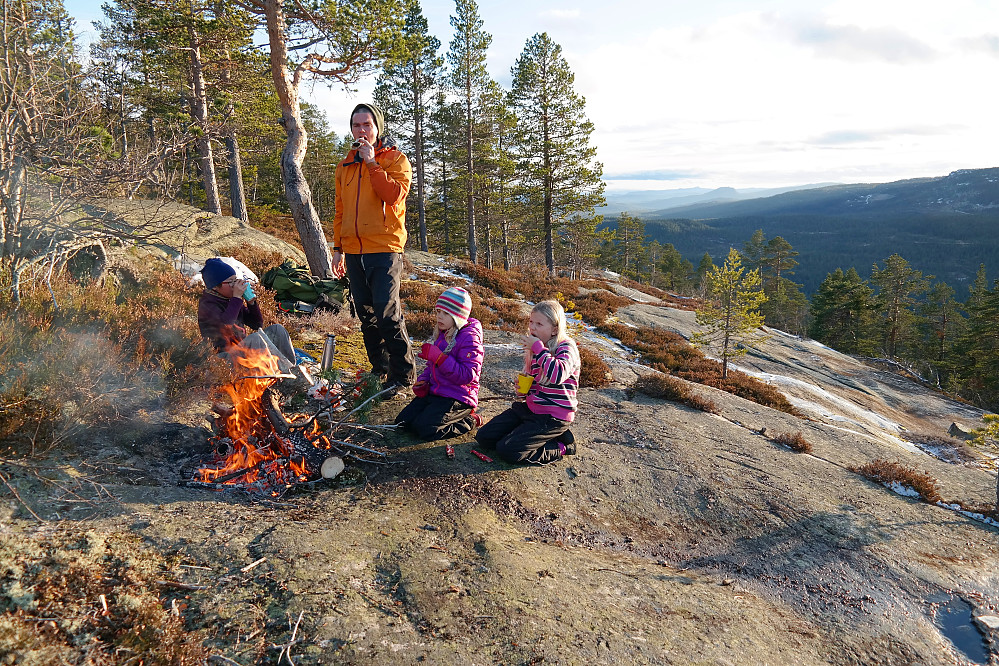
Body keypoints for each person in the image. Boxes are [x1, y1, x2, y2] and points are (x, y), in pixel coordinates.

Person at [330, 102, 415, 396]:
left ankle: (403, 375)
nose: (361, 130)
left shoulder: (396, 160)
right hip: (353, 250)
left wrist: (372, 163)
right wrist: (338, 247)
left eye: (367, 125)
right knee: (365, 313)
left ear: (377, 128)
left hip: (385, 246)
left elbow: (393, 196)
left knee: (386, 311)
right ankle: (379, 370)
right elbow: (340, 209)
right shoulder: (344, 166)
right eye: (356, 125)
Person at [475, 300, 580, 464]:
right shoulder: (536, 349)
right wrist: (524, 390)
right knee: (484, 438)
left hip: (553, 416)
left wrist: (538, 349)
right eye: (531, 322)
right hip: (532, 409)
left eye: (539, 324)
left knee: (508, 451)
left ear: (554, 329)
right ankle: (533, 434)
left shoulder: (566, 347)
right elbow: (538, 384)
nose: (532, 327)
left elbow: (557, 375)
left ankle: (563, 446)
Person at [394, 287, 484, 440]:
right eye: (438, 312)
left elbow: (468, 375)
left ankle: (470, 419)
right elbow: (432, 366)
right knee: (402, 423)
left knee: (426, 429)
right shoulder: (443, 332)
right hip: (436, 391)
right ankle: (434, 414)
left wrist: (441, 359)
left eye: (446, 313)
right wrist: (423, 380)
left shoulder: (470, 338)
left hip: (458, 397)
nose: (439, 317)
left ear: (458, 316)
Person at [197, 257, 296, 372]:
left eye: (236, 280)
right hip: (223, 358)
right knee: (255, 339)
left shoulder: (229, 298)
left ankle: (293, 369)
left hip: (241, 350)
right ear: (215, 286)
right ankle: (283, 372)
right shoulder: (207, 304)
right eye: (231, 282)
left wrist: (251, 302)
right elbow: (226, 326)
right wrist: (237, 298)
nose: (235, 285)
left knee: (277, 330)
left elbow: (257, 324)